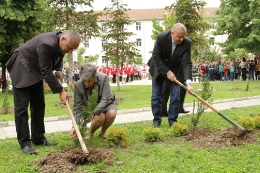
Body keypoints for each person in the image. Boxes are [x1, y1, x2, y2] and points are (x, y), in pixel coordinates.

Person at [5, 30, 81, 154]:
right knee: (21, 108)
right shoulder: (47, 43)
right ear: (62, 39)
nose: (70, 51)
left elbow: (59, 54)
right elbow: (45, 71)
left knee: (39, 104)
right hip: (21, 64)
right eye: (69, 47)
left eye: (72, 49)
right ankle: (25, 143)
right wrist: (61, 90)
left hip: (34, 67)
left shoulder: (61, 43)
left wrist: (58, 69)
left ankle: (38, 138)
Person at [148, 23, 194, 128]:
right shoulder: (161, 37)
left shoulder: (187, 43)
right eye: (179, 36)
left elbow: (187, 63)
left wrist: (189, 83)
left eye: (183, 36)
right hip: (158, 68)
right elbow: (156, 57)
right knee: (156, 97)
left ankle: (172, 121)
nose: (182, 39)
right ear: (172, 33)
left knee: (176, 96)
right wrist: (167, 72)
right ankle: (157, 121)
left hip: (175, 70)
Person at [70, 63, 116, 140]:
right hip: (91, 104)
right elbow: (77, 106)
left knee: (111, 114)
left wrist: (93, 113)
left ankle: (102, 132)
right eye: (84, 81)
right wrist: (75, 125)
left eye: (89, 81)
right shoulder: (78, 85)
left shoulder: (103, 78)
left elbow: (105, 98)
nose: (87, 84)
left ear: (95, 77)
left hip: (107, 102)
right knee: (100, 117)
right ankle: (90, 133)